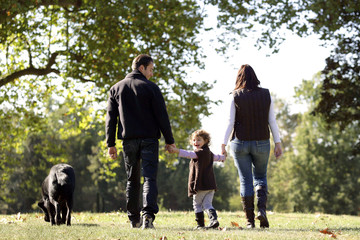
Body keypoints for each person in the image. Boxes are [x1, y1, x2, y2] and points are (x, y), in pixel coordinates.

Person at [105, 54, 176, 229]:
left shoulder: (116, 89)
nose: (151, 74)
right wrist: (169, 140)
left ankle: (133, 219)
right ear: (141, 67)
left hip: (128, 141)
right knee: (149, 178)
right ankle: (148, 217)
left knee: (132, 180)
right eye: (150, 69)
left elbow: (110, 119)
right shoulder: (151, 88)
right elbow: (162, 117)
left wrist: (110, 144)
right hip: (149, 140)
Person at [221, 64, 282, 229]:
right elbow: (272, 121)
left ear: (239, 78)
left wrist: (223, 143)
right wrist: (278, 142)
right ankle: (261, 210)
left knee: (246, 180)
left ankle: (250, 221)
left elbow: (230, 122)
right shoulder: (266, 94)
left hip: (239, 142)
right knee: (261, 177)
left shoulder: (234, 95)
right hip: (262, 141)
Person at [168, 129, 225, 229]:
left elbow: (188, 154)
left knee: (197, 204)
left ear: (206, 141)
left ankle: (200, 225)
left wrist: (176, 150)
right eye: (194, 140)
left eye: (199, 140)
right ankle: (213, 220)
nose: (196, 142)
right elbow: (218, 157)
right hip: (211, 185)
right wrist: (223, 156)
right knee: (207, 204)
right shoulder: (210, 154)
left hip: (201, 185)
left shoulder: (199, 153)